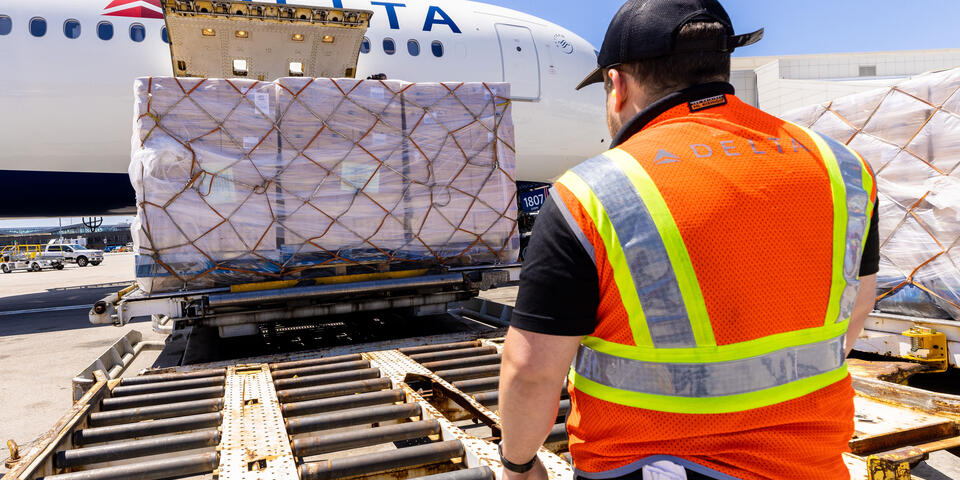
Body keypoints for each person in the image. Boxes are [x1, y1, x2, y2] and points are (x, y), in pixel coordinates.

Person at [496, 0, 880, 479]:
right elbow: (857, 306)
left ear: (617, 86)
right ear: (722, 67)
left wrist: (518, 464)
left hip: (648, 466)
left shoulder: (590, 194)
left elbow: (532, 369)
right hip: (810, 464)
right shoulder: (842, 168)